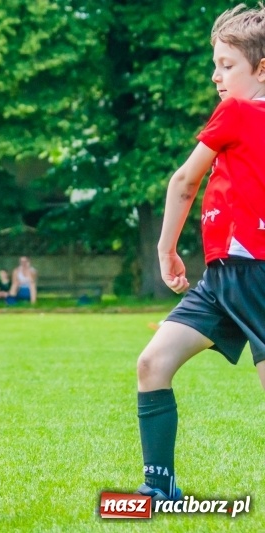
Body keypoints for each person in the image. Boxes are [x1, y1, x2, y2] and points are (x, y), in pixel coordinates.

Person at [132, 4, 265, 501]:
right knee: (153, 363)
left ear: (262, 68)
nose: (216, 75)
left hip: (257, 276)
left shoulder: (237, 111)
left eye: (227, 65)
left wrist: (166, 249)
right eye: (216, 63)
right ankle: (158, 488)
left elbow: (185, 182)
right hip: (222, 279)